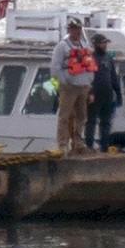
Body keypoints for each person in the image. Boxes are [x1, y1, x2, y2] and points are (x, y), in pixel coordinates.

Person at [50, 18, 97, 155]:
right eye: (74, 28)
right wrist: (65, 81)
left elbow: (90, 65)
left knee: (82, 116)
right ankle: (62, 144)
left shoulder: (85, 45)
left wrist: (89, 82)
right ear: (69, 29)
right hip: (69, 87)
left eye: (78, 28)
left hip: (84, 86)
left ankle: (78, 143)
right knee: (64, 116)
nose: (77, 31)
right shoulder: (62, 46)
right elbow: (55, 68)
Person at [85, 33, 123, 151]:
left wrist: (118, 93)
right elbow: (87, 78)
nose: (105, 45)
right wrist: (89, 92)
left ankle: (104, 146)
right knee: (91, 120)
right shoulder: (90, 58)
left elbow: (113, 77)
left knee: (106, 121)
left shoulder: (108, 57)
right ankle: (89, 145)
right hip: (94, 94)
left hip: (107, 94)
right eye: (103, 43)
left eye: (106, 43)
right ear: (96, 44)